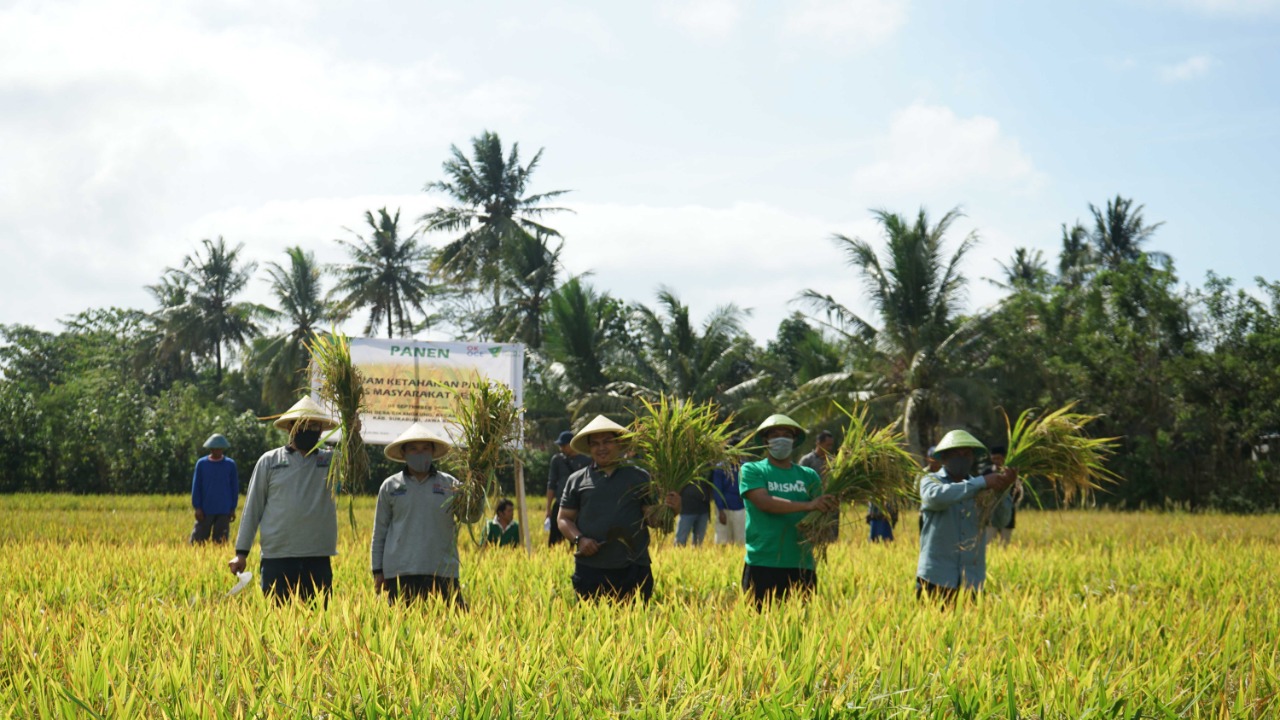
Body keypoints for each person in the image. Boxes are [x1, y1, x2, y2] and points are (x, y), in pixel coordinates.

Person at [556, 415, 681, 602]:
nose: (601, 448)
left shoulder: (639, 477)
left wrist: (673, 509)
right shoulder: (577, 480)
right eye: (595, 443)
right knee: (591, 619)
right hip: (591, 568)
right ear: (589, 448)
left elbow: (652, 520)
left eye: (607, 441)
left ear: (619, 444)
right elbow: (563, 518)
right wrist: (579, 540)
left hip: (633, 568)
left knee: (636, 620)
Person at [230, 397, 339, 605]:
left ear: (321, 431)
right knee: (277, 616)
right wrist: (241, 553)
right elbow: (253, 508)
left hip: (317, 555)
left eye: (314, 426)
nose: (308, 429)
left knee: (318, 618)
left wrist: (355, 432)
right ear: (290, 427)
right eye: (302, 424)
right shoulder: (270, 461)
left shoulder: (331, 461)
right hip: (277, 556)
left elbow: (357, 470)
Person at [371, 423, 479, 607]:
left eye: (425, 448)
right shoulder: (390, 486)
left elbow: (470, 517)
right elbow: (379, 532)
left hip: (442, 571)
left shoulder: (451, 485)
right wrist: (377, 571)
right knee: (403, 623)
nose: (420, 453)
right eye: (413, 449)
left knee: (453, 622)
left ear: (432, 451)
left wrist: (478, 489)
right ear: (404, 453)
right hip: (400, 572)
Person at [740, 414, 837, 608]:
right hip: (763, 563)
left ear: (794, 440)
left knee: (801, 623)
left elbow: (820, 512)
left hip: (801, 564)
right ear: (766, 440)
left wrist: (826, 510)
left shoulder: (809, 476)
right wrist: (808, 505)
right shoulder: (752, 470)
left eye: (786, 435)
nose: (781, 438)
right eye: (775, 434)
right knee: (758, 622)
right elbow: (764, 502)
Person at [916, 429, 1016, 605]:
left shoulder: (984, 489)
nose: (962, 458)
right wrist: (981, 482)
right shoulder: (930, 481)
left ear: (972, 458)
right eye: (956, 454)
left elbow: (1001, 521)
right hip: (935, 577)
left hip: (971, 580)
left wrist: (1003, 490)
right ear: (944, 457)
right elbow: (936, 498)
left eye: (967, 454)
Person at [190, 433, 239, 544]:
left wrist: (232, 508)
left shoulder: (230, 465)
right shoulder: (202, 464)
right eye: (215, 449)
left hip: (224, 510)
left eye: (219, 449)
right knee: (198, 541)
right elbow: (196, 486)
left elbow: (234, 488)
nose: (217, 451)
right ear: (211, 449)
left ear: (223, 449)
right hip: (205, 510)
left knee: (221, 542)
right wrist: (197, 507)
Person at [546, 430, 591, 546]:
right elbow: (551, 484)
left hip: (580, 506)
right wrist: (548, 508)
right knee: (555, 540)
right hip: (561, 503)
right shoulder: (557, 460)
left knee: (577, 538)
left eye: (563, 445)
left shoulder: (586, 461)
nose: (561, 448)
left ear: (572, 444)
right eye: (560, 445)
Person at [799, 430, 839, 541]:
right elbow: (799, 480)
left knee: (831, 536)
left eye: (831, 445)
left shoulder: (833, 461)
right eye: (827, 445)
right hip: (812, 503)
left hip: (830, 503)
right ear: (818, 443)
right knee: (812, 535)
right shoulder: (807, 460)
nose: (830, 448)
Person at [711, 462, 746, 545]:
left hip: (740, 508)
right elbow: (717, 489)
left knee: (740, 541)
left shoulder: (744, 467)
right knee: (722, 541)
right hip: (724, 509)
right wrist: (721, 510)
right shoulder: (721, 467)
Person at [674, 478, 712, 547]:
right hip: (686, 509)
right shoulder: (685, 473)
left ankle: (695, 553)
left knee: (698, 542)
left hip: (703, 509)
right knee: (680, 541)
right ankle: (678, 552)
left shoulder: (706, 472)